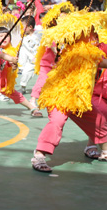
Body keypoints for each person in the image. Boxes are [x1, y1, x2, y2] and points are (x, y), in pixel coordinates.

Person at [31, 11, 107, 172]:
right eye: (92, 32)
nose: (95, 35)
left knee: (99, 120)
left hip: (78, 98)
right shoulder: (82, 52)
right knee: (57, 123)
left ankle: (105, 150)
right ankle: (39, 154)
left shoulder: (90, 51)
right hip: (60, 97)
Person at [30, 2, 74, 108]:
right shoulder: (52, 33)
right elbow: (54, 49)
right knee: (42, 81)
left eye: (66, 18)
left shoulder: (69, 33)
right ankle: (33, 99)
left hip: (60, 65)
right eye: (61, 18)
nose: (63, 20)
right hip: (48, 64)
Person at [17, 16, 40, 95]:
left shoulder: (39, 34)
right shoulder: (23, 39)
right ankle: (23, 87)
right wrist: (21, 65)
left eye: (23, 27)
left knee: (45, 75)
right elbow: (23, 52)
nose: (22, 28)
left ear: (30, 27)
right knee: (25, 73)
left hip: (41, 60)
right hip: (31, 61)